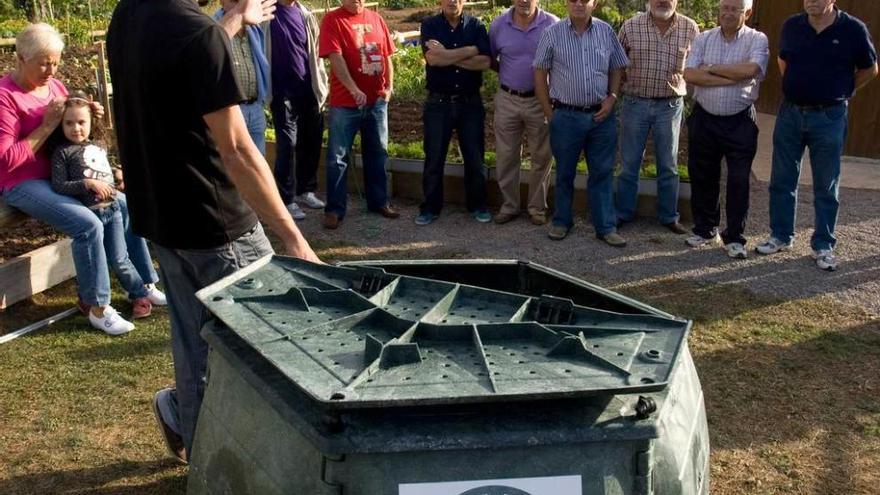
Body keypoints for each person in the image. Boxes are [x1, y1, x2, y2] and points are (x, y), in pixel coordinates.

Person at [107, 0, 320, 463]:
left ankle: (190, 424)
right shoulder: (198, 34)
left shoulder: (128, 15)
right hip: (218, 225)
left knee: (196, 342)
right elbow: (239, 150)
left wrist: (233, 21)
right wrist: (293, 238)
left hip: (163, 218)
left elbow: (186, 61)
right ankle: (229, 458)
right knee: (266, 342)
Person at [0, 23, 165, 335]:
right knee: (87, 225)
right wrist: (48, 125)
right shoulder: (5, 98)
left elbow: (72, 137)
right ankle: (96, 306)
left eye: (56, 62)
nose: (52, 70)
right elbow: (6, 160)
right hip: (22, 182)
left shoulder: (55, 87)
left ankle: (143, 285)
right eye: (44, 63)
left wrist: (89, 118)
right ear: (21, 58)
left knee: (125, 204)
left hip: (63, 172)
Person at [756, 0, 877, 271]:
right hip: (790, 113)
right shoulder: (792, 25)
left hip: (829, 116)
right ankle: (780, 236)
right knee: (782, 178)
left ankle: (823, 245)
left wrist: (845, 90)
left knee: (826, 183)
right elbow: (783, 61)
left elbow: (870, 68)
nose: (812, 1)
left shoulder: (853, 29)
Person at [50, 92, 161, 333]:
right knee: (103, 259)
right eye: (69, 123)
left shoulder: (97, 145)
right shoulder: (62, 152)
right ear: (61, 125)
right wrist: (87, 185)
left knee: (120, 259)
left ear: (91, 122)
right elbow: (59, 185)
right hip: (92, 213)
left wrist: (116, 173)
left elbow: (100, 170)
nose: (76, 128)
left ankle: (140, 292)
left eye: (81, 122)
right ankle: (133, 295)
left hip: (112, 210)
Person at [533, 0, 629, 246]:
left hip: (601, 118)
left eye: (584, 0)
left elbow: (617, 66)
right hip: (565, 117)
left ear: (593, 4)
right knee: (564, 173)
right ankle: (561, 221)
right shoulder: (552, 34)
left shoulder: (606, 31)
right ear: (567, 3)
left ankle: (606, 227)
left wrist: (613, 98)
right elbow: (539, 73)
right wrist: (550, 113)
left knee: (603, 173)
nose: (578, 4)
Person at [682, 0, 768, 260]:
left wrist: (712, 69)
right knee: (703, 175)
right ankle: (705, 229)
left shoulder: (757, 39)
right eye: (725, 8)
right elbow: (689, 74)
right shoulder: (704, 38)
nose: (728, 13)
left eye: (735, 9)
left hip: (739, 121)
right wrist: (733, 75)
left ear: (747, 13)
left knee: (739, 180)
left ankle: (734, 237)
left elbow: (752, 69)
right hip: (704, 119)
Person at [615, 0, 697, 234]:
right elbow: (618, 64)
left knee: (668, 165)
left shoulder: (690, 28)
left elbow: (696, 66)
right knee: (630, 162)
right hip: (634, 103)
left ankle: (668, 216)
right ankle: (623, 213)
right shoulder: (631, 26)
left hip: (670, 106)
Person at [319, 0, 399, 230]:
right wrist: (354, 90)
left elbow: (387, 56)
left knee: (378, 152)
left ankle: (379, 202)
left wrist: (390, 87)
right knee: (338, 157)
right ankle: (334, 209)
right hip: (346, 103)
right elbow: (335, 58)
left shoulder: (377, 19)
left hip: (376, 102)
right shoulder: (333, 20)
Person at [414, 0, 492, 226]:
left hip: (470, 103)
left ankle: (477, 205)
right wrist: (470, 50)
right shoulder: (429, 25)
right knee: (434, 157)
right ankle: (430, 207)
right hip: (439, 103)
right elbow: (434, 59)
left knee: (475, 157)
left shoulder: (476, 26)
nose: (452, 1)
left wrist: (447, 54)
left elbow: (485, 62)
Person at [488, 0, 558, 226]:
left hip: (540, 101)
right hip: (508, 99)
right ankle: (509, 206)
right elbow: (491, 59)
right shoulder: (499, 25)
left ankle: (537, 207)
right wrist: (511, 75)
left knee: (541, 156)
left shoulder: (552, 25)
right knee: (506, 156)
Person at [267, 0, 329, 220]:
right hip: (281, 91)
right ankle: (286, 200)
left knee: (311, 141)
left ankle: (306, 190)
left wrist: (322, 85)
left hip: (308, 87)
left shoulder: (305, 13)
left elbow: (315, 52)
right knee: (287, 145)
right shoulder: (268, 11)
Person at [215, 0, 270, 156]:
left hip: (255, 107)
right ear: (222, 2)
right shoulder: (216, 29)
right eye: (234, 1)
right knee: (232, 163)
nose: (240, 5)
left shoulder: (253, 30)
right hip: (232, 109)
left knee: (258, 160)